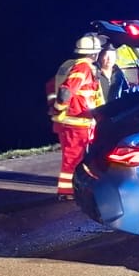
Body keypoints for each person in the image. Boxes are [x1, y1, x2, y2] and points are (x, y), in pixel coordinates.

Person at [53, 34, 104, 199]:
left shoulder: (82, 67)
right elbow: (66, 91)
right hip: (76, 122)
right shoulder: (82, 68)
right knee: (73, 157)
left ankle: (72, 189)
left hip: (80, 121)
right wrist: (59, 109)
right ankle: (66, 192)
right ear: (94, 53)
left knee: (77, 157)